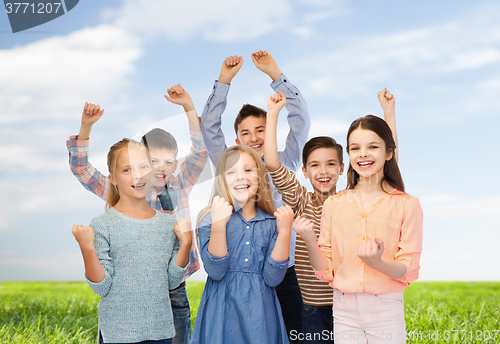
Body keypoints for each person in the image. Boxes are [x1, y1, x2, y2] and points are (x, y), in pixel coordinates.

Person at [66, 84, 207, 344]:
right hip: (127, 294)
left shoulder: (181, 182)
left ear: (176, 163)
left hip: (172, 286)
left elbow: (200, 151)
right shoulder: (123, 190)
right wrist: (86, 128)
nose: (159, 169)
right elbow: (82, 169)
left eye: (167, 162)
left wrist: (188, 107)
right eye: (150, 162)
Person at [265, 89, 399, 343]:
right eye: (315, 165)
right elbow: (272, 163)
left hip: (349, 304)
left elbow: (385, 163)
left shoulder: (352, 200)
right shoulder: (301, 199)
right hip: (312, 308)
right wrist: (273, 114)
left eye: (330, 164)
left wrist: (388, 114)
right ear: (304, 171)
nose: (323, 171)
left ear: (341, 168)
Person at [200, 50, 310, 341]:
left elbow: (300, 120)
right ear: (237, 141)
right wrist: (224, 81)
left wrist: (276, 75)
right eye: (246, 133)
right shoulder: (230, 164)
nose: (254, 137)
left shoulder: (284, 162)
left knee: (291, 334)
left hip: (282, 269)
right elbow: (209, 128)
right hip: (236, 270)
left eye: (261, 129)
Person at [295, 112, 423, 344]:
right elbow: (326, 269)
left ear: (389, 152)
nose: (363, 154)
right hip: (343, 308)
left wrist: (378, 263)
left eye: (372, 146)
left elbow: (409, 269)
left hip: (386, 307)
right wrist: (309, 241)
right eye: (355, 148)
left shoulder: (407, 204)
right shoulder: (334, 204)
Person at [71, 138, 191, 344]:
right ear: (113, 179)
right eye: (127, 170)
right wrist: (87, 248)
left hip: (160, 332)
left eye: (143, 167)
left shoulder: (168, 224)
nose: (137, 175)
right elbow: (102, 286)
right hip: (117, 334)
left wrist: (186, 244)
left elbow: (172, 281)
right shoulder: (103, 224)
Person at [190, 145, 294, 344]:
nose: (240, 176)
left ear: (260, 176)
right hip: (221, 312)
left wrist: (285, 232)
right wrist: (219, 223)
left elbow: (273, 278)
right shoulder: (208, 218)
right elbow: (216, 271)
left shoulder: (272, 222)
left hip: (260, 316)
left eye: (248, 169)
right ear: (222, 179)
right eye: (231, 171)